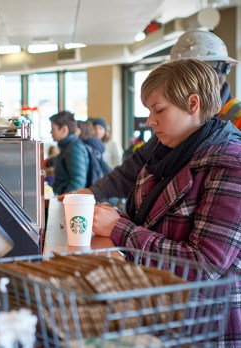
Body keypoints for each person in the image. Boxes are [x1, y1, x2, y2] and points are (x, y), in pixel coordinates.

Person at [92, 58, 241, 345]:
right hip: (167, 310)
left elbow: (206, 265)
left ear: (193, 104)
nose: (150, 121)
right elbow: (156, 223)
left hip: (207, 324)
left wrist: (119, 228)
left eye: (159, 110)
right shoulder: (169, 153)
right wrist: (117, 217)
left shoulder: (231, 164)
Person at [68, 30, 240, 202]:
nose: (151, 121)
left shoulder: (234, 135)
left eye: (159, 110)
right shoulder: (174, 125)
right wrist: (92, 193)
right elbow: (137, 166)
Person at [49, 111, 89, 194]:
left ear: (64, 129)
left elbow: (78, 181)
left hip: (69, 203)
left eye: (53, 129)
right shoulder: (67, 146)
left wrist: (64, 199)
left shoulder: (74, 147)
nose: (51, 132)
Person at [77, 120, 111, 187]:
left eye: (100, 128)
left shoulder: (111, 145)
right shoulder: (89, 146)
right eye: (95, 128)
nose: (97, 131)